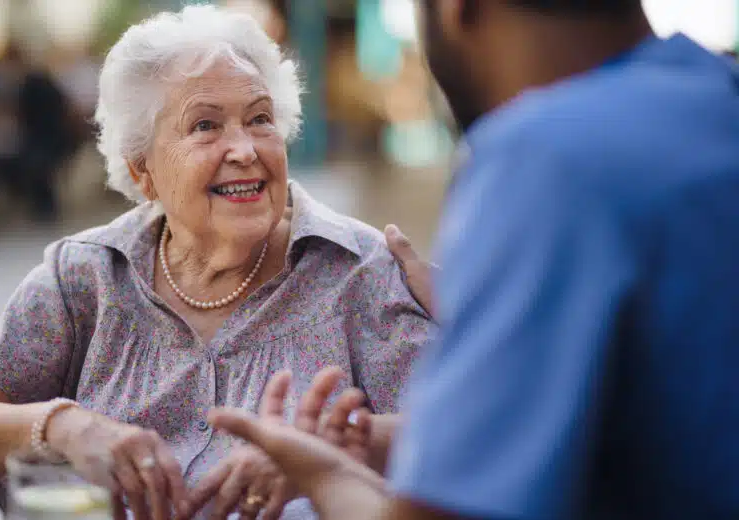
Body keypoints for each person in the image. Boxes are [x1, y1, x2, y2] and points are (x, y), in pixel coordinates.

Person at [205, 0, 739, 519]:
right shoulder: (717, 96)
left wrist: (323, 473)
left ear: (457, 8)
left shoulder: (544, 158)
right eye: (205, 127)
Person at [0, 5, 436, 520]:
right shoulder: (84, 277)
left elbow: (470, 435)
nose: (244, 149)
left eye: (260, 118)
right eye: (205, 126)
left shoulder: (359, 269)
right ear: (143, 171)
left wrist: (333, 453)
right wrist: (60, 426)